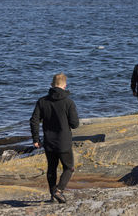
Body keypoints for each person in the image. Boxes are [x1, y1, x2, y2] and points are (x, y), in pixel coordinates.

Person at [30, 73, 79, 203]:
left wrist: (36, 139)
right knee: (69, 168)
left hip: (49, 142)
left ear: (52, 85)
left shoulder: (42, 101)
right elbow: (75, 124)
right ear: (65, 85)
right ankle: (59, 191)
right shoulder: (69, 102)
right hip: (64, 142)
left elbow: (34, 121)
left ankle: (53, 194)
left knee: (52, 168)